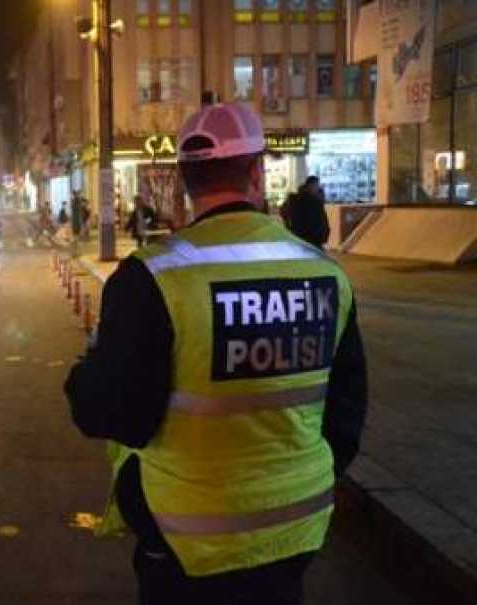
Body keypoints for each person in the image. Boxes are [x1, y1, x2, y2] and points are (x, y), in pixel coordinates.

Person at [65, 102, 367, 605]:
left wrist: (83, 375)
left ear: (186, 180)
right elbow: (348, 410)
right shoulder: (324, 273)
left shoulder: (153, 276)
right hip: (295, 528)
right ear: (257, 170)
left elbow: (115, 414)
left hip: (187, 541)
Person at [281, 176, 330, 249]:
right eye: (316, 185)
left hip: (308, 237)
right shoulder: (308, 201)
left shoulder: (310, 199)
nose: (317, 188)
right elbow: (317, 219)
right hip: (309, 238)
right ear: (310, 186)